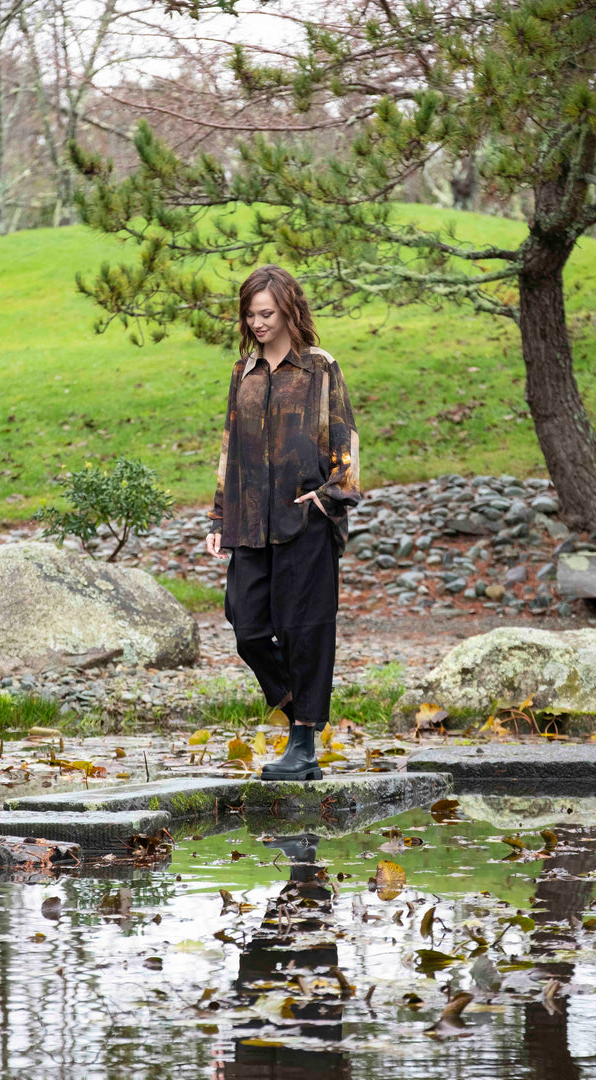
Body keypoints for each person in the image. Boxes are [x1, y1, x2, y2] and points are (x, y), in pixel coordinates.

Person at [205, 264, 360, 781]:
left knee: (304, 631)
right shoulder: (242, 372)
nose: (257, 323)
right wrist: (219, 513)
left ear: (289, 309)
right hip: (250, 522)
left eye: (266, 313)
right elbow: (231, 446)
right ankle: (301, 715)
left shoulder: (320, 368)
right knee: (246, 627)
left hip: (305, 520)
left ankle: (303, 747)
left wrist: (327, 500)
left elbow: (345, 441)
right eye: (250, 315)